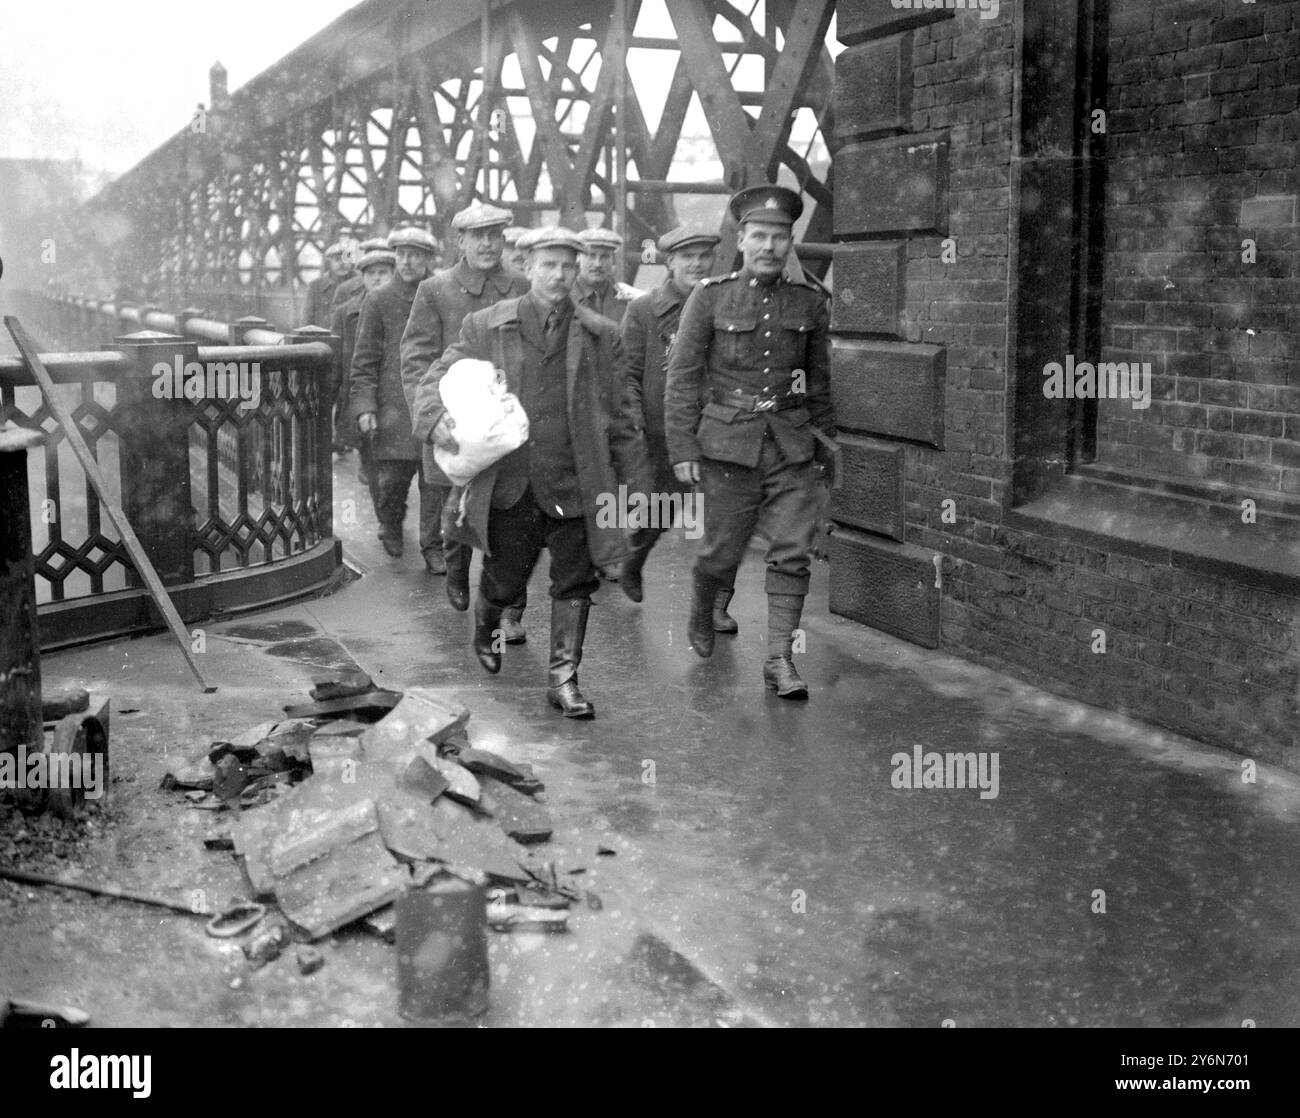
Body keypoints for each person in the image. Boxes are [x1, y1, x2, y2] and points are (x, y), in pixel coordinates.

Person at [411, 227, 651, 719]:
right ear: (527, 265)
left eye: (568, 265)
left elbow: (625, 416)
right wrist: (433, 420)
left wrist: (637, 493)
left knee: (575, 582)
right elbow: (436, 377)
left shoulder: (602, 335)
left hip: (578, 481)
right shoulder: (487, 326)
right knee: (504, 578)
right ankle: (487, 623)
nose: (560, 275)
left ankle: (564, 679)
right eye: (548, 265)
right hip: (512, 485)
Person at [663, 185, 836, 700]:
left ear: (789, 244)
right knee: (722, 554)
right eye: (759, 235)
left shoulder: (809, 302)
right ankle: (704, 601)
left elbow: (820, 383)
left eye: (779, 237)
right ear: (741, 240)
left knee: (792, 550)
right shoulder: (710, 296)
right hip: (726, 446)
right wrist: (683, 450)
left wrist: (823, 446)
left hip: (789, 444)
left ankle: (780, 658)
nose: (769, 246)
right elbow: (682, 378)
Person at [400, 202, 529, 637]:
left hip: (508, 424)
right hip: (455, 420)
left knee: (514, 514)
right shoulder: (436, 290)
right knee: (458, 509)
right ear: (461, 242)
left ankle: (511, 608)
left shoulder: (523, 287)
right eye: (479, 236)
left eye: (496, 235)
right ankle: (457, 571)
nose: (489, 243)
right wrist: (431, 416)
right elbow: (417, 357)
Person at [619, 224, 732, 621]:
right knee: (660, 510)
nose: (697, 264)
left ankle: (717, 605)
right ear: (670, 262)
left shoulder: (728, 303)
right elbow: (628, 373)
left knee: (725, 519)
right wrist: (634, 419)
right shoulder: (644, 309)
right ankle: (633, 560)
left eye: (704, 257)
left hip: (720, 426)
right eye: (687, 257)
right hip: (663, 429)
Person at [350, 225, 442, 562]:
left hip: (431, 399)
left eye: (415, 255)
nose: (407, 261)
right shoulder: (379, 299)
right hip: (392, 408)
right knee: (391, 483)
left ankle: (432, 545)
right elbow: (364, 360)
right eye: (402, 254)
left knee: (435, 483)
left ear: (428, 259)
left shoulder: (439, 293)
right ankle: (390, 525)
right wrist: (365, 407)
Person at [331, 245, 395, 485]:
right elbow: (336, 362)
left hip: (392, 392)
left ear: (393, 274)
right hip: (361, 393)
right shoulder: (344, 313)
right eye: (371, 273)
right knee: (368, 457)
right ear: (362, 277)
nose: (377, 278)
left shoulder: (407, 308)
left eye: (383, 272)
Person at [572, 227, 641, 325]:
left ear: (612, 259)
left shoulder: (629, 299)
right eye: (591, 256)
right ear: (577, 257)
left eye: (605, 256)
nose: (598, 264)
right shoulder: (563, 298)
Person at [303, 240, 355, 328]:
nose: (341, 263)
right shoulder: (316, 286)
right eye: (337, 259)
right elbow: (307, 319)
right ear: (330, 262)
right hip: (324, 337)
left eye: (346, 259)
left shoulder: (361, 284)